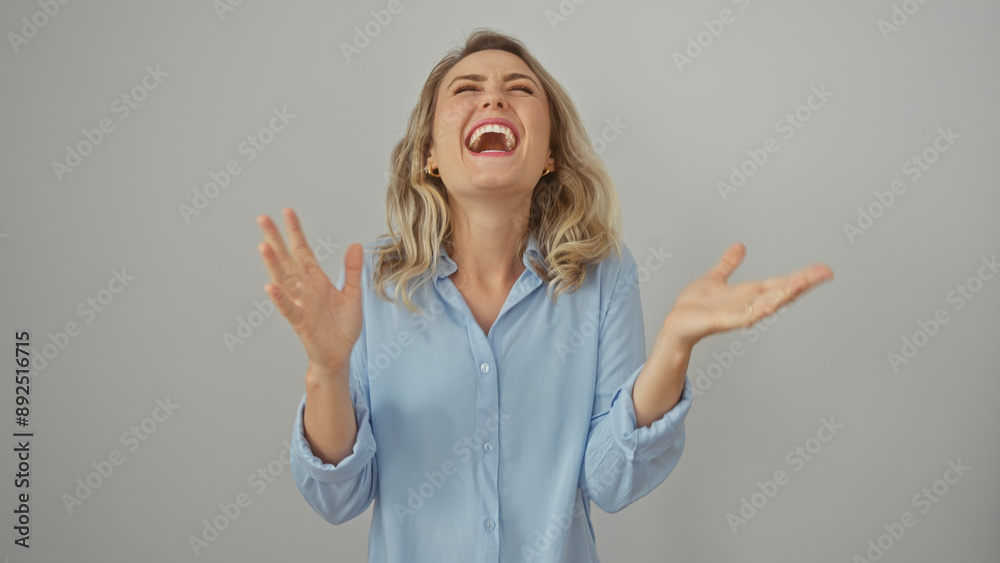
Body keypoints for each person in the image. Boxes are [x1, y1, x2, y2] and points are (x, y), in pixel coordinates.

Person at [255, 29, 832, 562]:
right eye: (467, 88)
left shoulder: (602, 273)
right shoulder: (376, 283)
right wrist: (326, 371)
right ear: (429, 154)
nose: (493, 100)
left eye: (519, 88)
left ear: (550, 152)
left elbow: (611, 481)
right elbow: (338, 498)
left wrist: (674, 348)